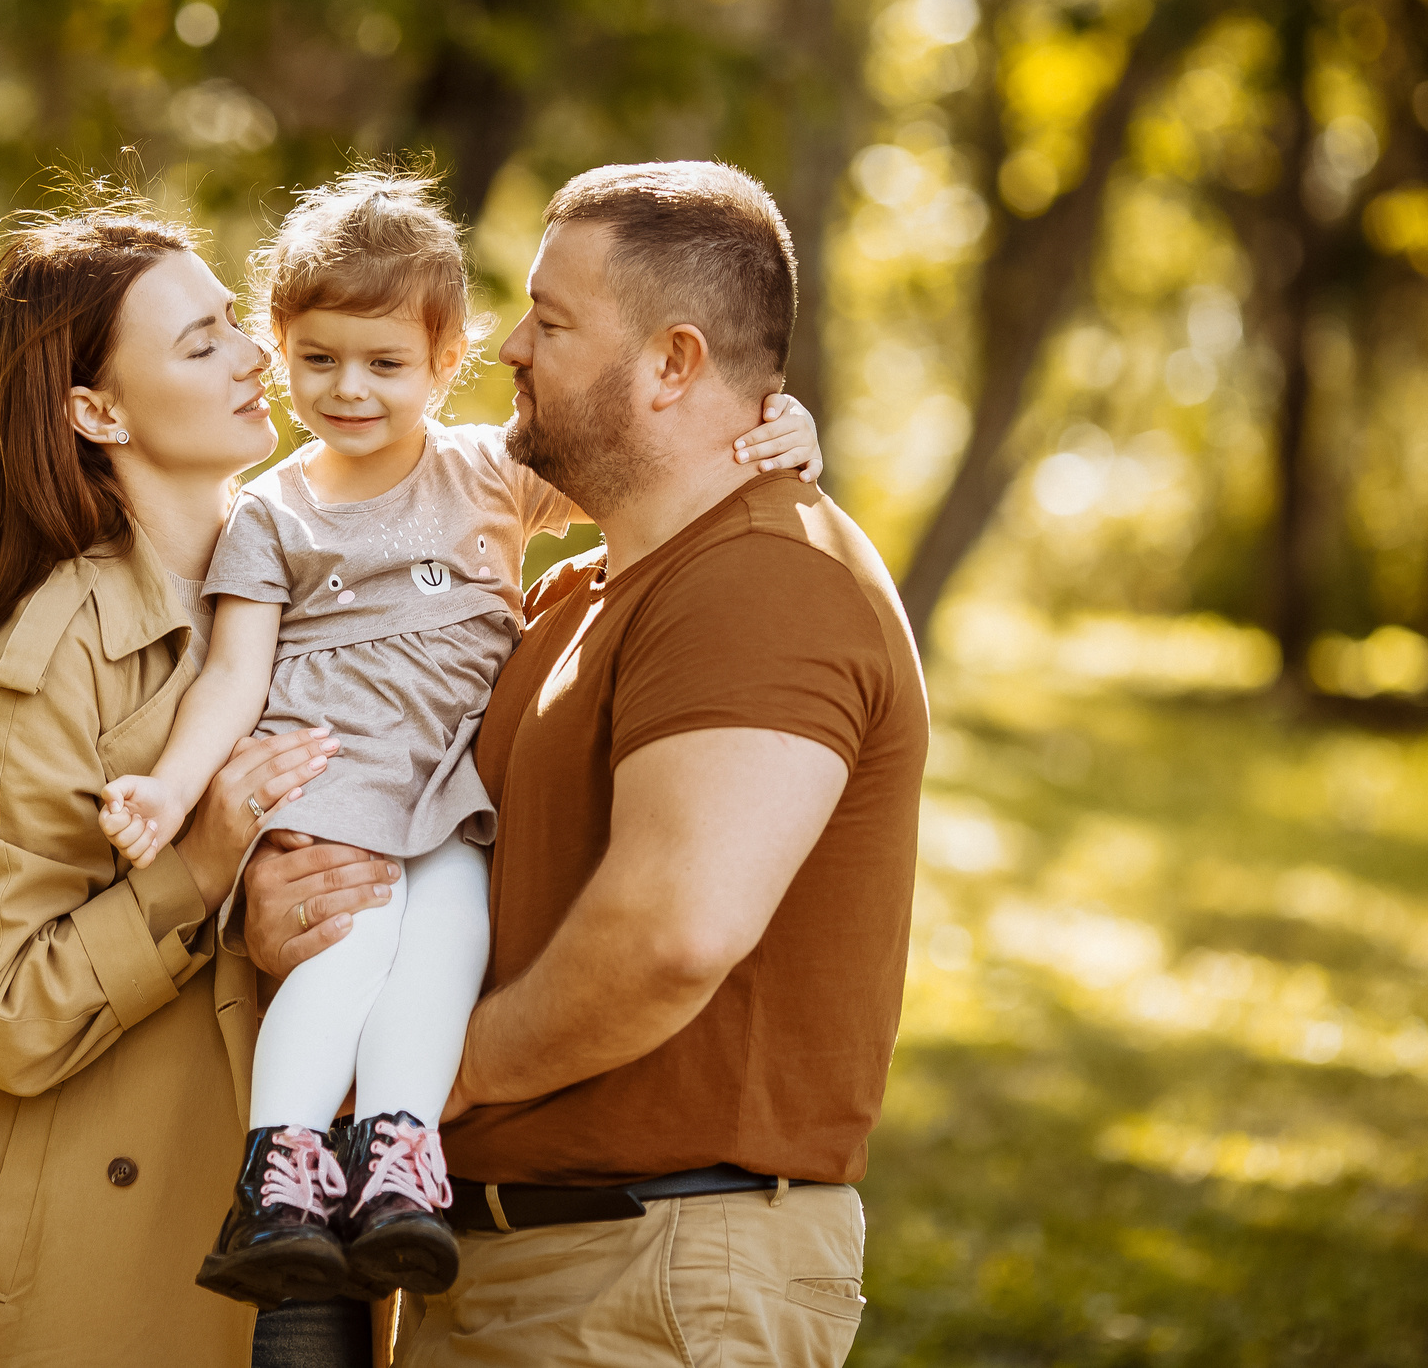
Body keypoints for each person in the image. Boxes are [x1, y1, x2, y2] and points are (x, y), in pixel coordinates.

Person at [96, 171, 822, 1316]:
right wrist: (171, 789)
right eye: (319, 359)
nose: (349, 389)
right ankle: (278, 1174)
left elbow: (658, 463)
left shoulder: (490, 473)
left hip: (451, 792)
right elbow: (233, 675)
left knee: (445, 946)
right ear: (281, 349)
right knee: (346, 953)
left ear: (445, 363)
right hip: (334, 777)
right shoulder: (273, 514)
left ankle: (397, 1157)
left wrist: (774, 428)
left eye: (384, 364)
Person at [249, 161, 927, 1367]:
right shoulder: (572, 596)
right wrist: (301, 894)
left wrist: (435, 1081)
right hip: (503, 1264)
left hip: (651, 1269)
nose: (510, 346)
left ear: (673, 363)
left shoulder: (761, 582)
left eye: (551, 323)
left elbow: (672, 935)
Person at [0, 196, 374, 1368]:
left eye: (235, 324)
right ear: (97, 411)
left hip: (309, 1212)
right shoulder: (52, 658)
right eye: (199, 344)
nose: (252, 357)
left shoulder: (325, 567)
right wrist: (197, 869)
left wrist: (755, 430)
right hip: (87, 1248)